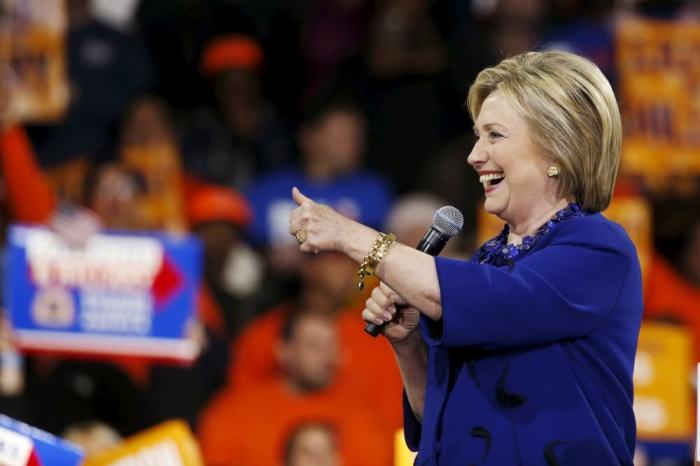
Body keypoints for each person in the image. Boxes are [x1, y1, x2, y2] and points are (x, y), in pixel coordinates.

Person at [288, 51, 643, 465]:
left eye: (495, 135)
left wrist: (351, 235)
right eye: (477, 136)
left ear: (556, 152)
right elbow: (435, 419)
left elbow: (501, 300)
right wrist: (408, 346)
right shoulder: (486, 263)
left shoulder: (597, 248)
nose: (475, 156)